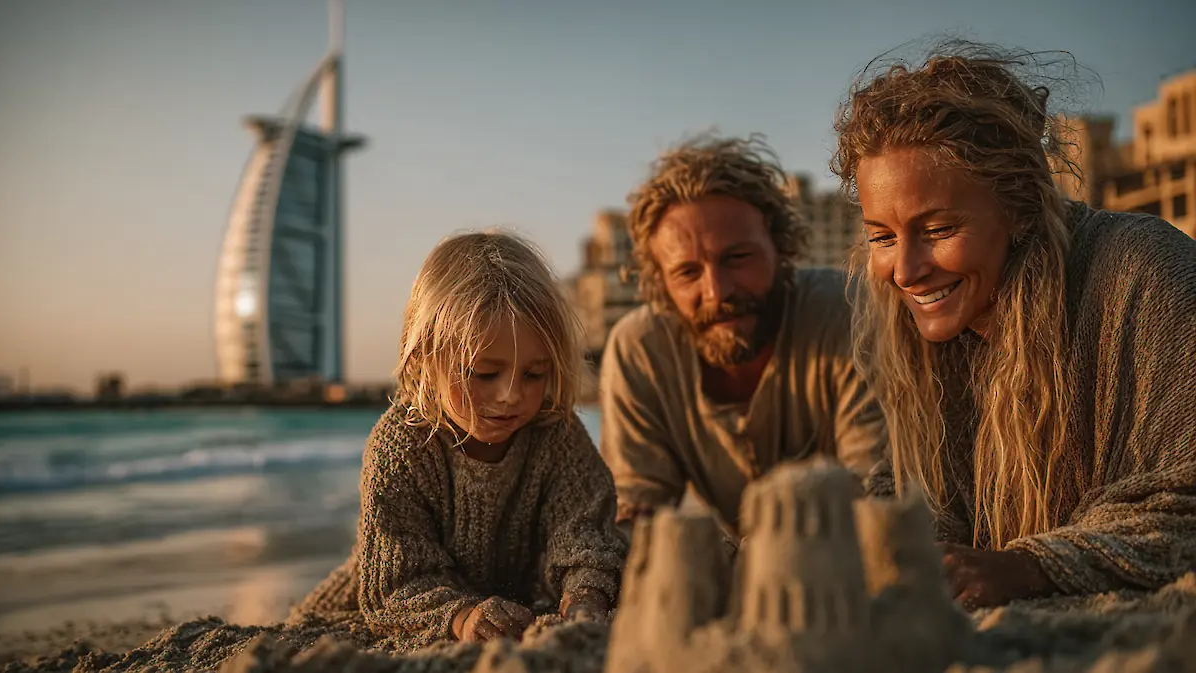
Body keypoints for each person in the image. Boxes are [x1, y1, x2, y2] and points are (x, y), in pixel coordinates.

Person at [832, 42, 1196, 610]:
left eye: (938, 229)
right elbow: (911, 493)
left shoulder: (1141, 271)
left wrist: (1028, 567)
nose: (904, 270)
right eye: (882, 237)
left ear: (1021, 208)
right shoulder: (922, 338)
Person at [290, 231, 627, 650]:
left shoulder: (555, 433)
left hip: (513, 607)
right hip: (367, 610)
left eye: (534, 374)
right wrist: (462, 616)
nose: (511, 394)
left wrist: (584, 599)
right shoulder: (402, 447)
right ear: (424, 357)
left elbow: (583, 532)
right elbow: (396, 582)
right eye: (485, 373)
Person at [600, 134, 888, 542]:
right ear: (662, 285)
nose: (718, 292)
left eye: (737, 258)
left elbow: (877, 489)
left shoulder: (846, 312)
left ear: (780, 247)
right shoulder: (640, 350)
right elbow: (635, 508)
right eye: (687, 273)